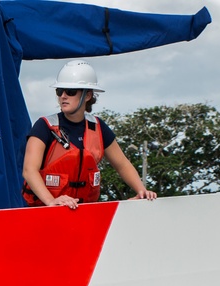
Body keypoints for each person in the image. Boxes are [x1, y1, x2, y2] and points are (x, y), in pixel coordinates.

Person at [22, 60, 157, 209]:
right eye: (60, 91)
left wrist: (141, 190)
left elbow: (122, 164)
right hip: (45, 212)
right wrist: (51, 201)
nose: (63, 96)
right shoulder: (44, 126)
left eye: (70, 92)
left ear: (88, 95)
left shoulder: (98, 127)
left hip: (85, 212)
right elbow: (29, 170)